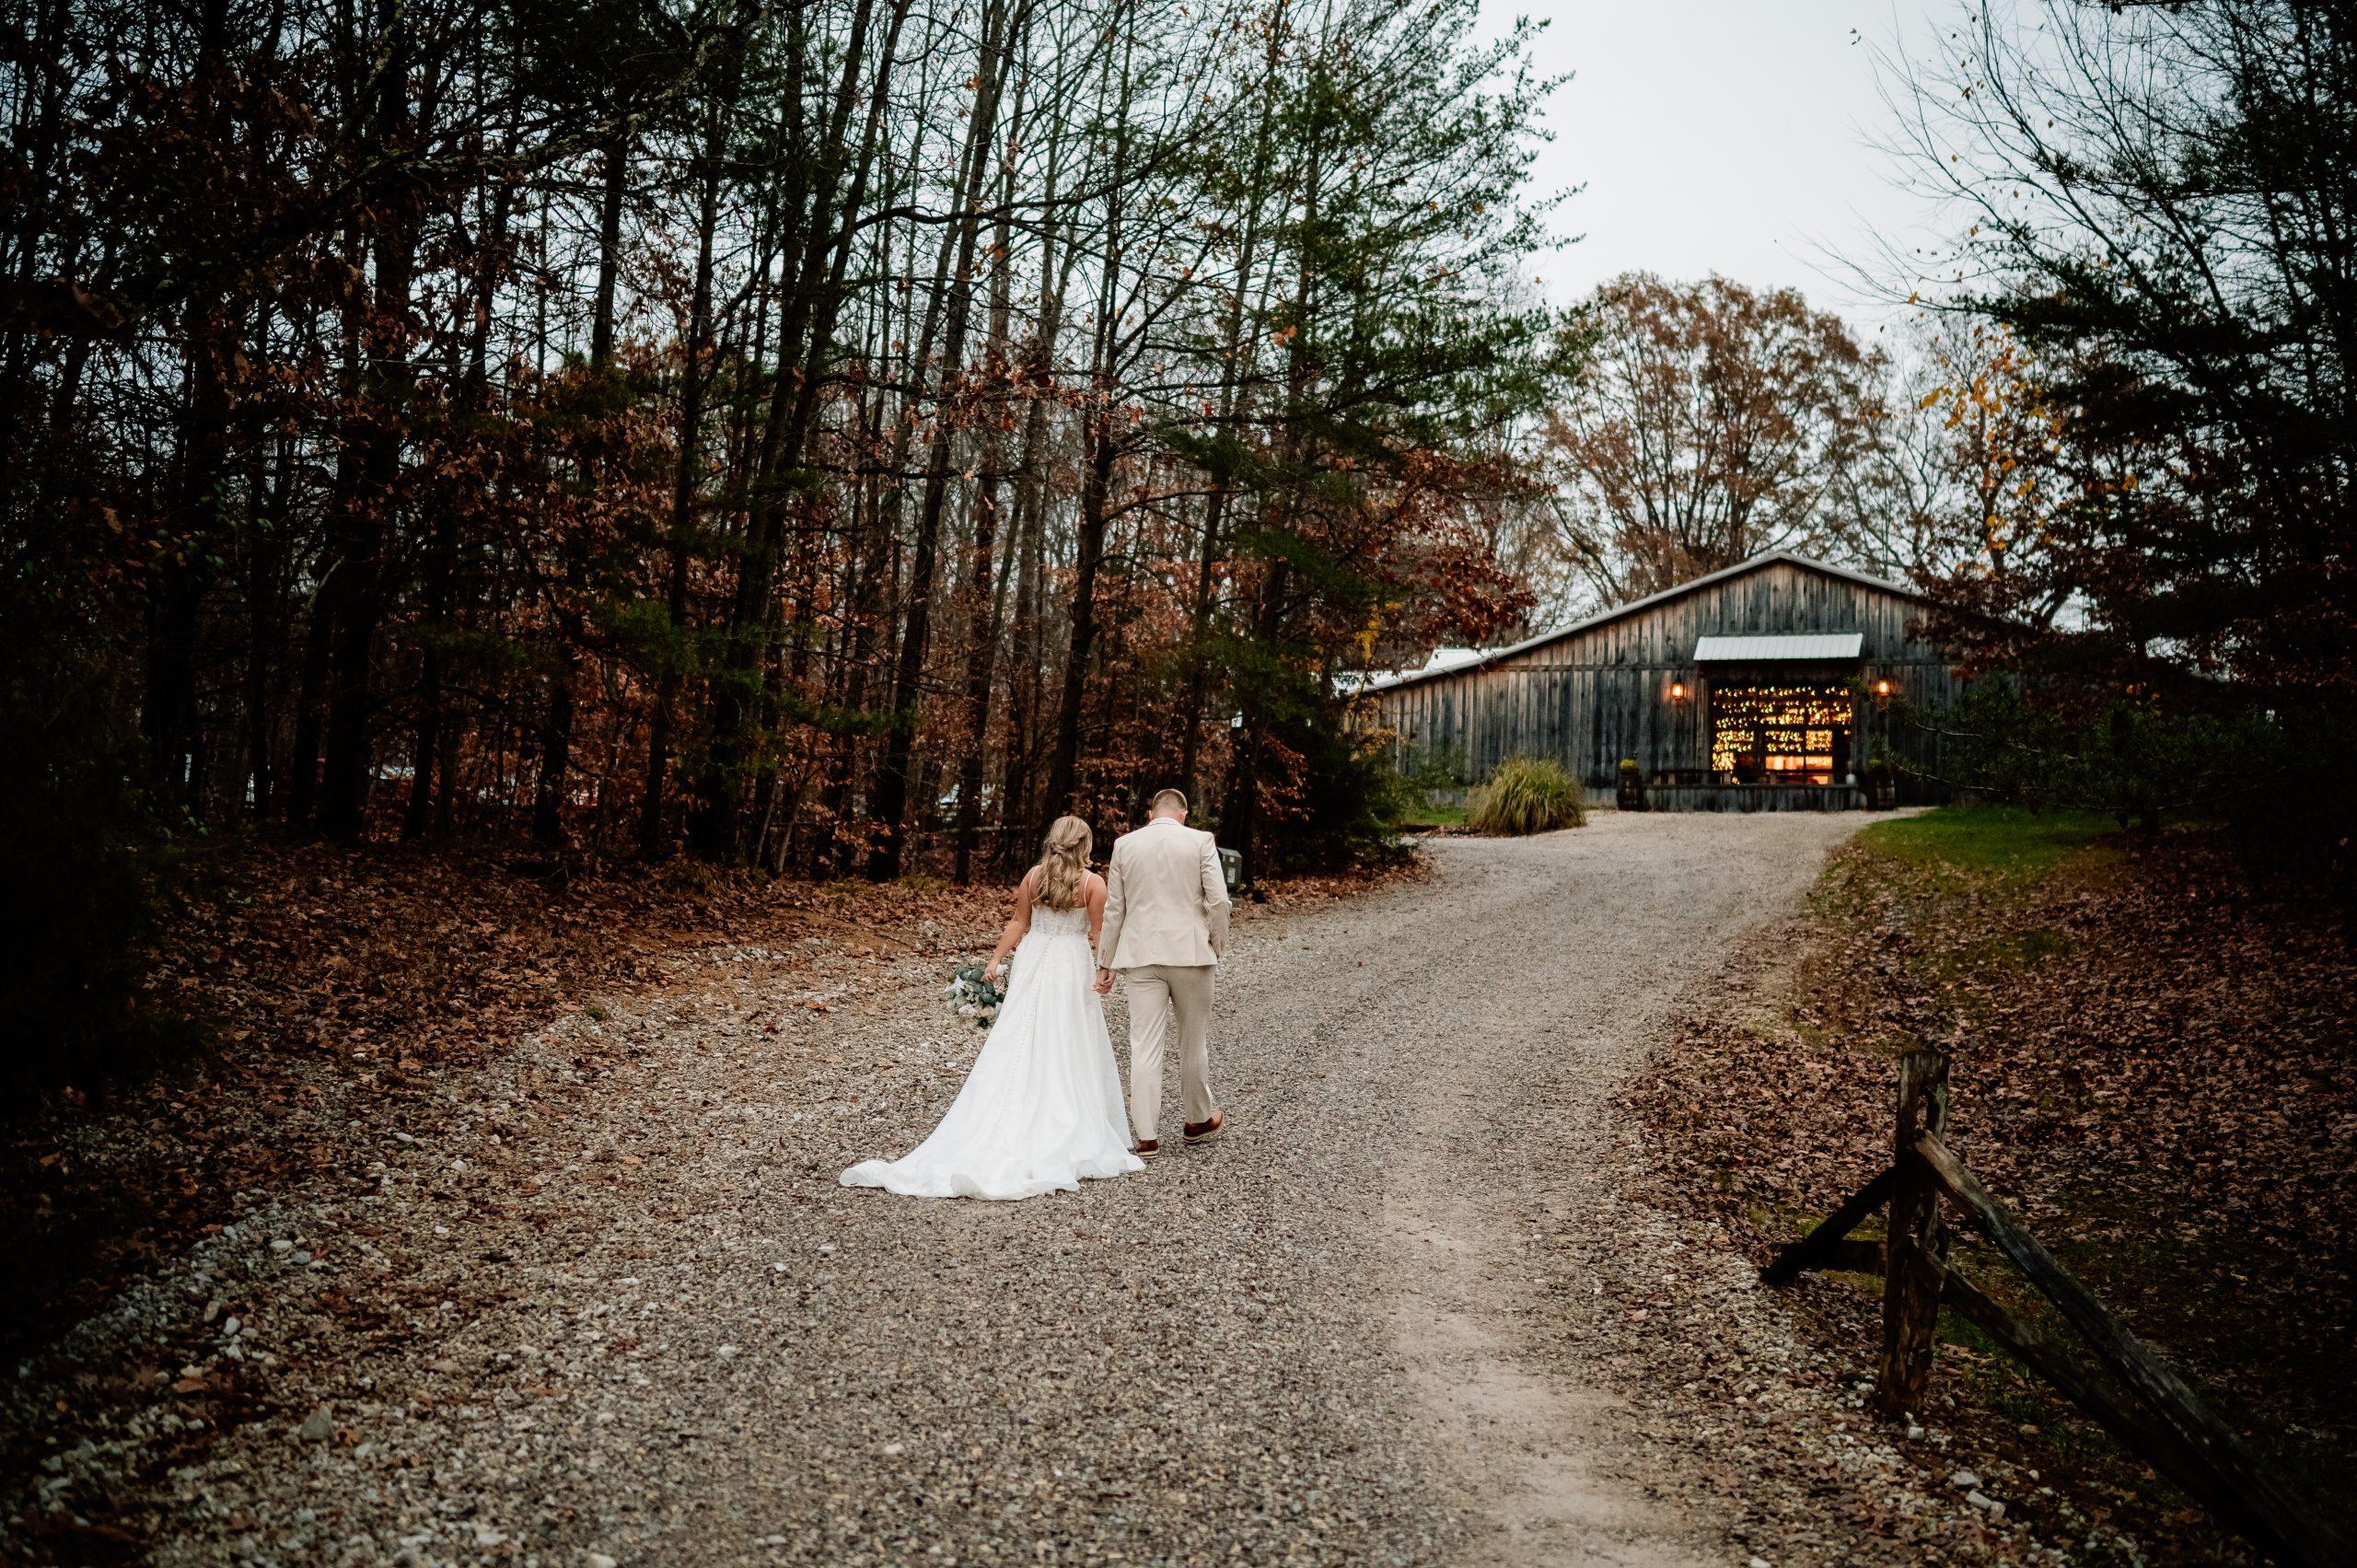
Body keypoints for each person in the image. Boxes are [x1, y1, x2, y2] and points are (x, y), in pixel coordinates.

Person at [840, 816, 1143, 1200]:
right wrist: (1106, 967)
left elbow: (1019, 922)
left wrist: (996, 959)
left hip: (1033, 959)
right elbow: (1098, 932)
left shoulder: (1035, 877)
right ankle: (1063, 1112)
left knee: (1021, 1031)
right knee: (1066, 1035)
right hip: (1068, 963)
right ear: (1084, 844)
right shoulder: (1092, 883)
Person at [1095, 788, 1230, 1157]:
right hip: (1191, 953)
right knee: (1193, 1040)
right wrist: (1216, 941)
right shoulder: (1201, 841)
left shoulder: (1125, 845)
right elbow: (1218, 900)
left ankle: (1147, 1136)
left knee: (1144, 1044)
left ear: (1150, 814)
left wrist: (1104, 960)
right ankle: (1197, 1120)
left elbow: (1114, 909)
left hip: (1140, 956)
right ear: (1184, 813)